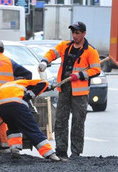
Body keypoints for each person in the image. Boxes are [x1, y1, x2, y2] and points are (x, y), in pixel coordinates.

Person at [38, 21, 101, 159]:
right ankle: (61, 151)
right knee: (60, 121)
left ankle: (76, 153)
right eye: (73, 32)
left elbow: (96, 69)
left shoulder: (90, 51)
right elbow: (51, 53)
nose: (75, 35)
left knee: (78, 123)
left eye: (77, 33)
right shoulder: (65, 46)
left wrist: (80, 75)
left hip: (80, 93)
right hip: (64, 88)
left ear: (84, 33)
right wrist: (44, 61)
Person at [0, 79, 60, 161]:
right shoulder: (24, 82)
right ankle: (50, 154)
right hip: (18, 106)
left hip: (3, 109)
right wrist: (29, 96)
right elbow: (44, 83)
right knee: (32, 129)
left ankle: (15, 150)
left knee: (13, 129)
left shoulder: (2, 90)